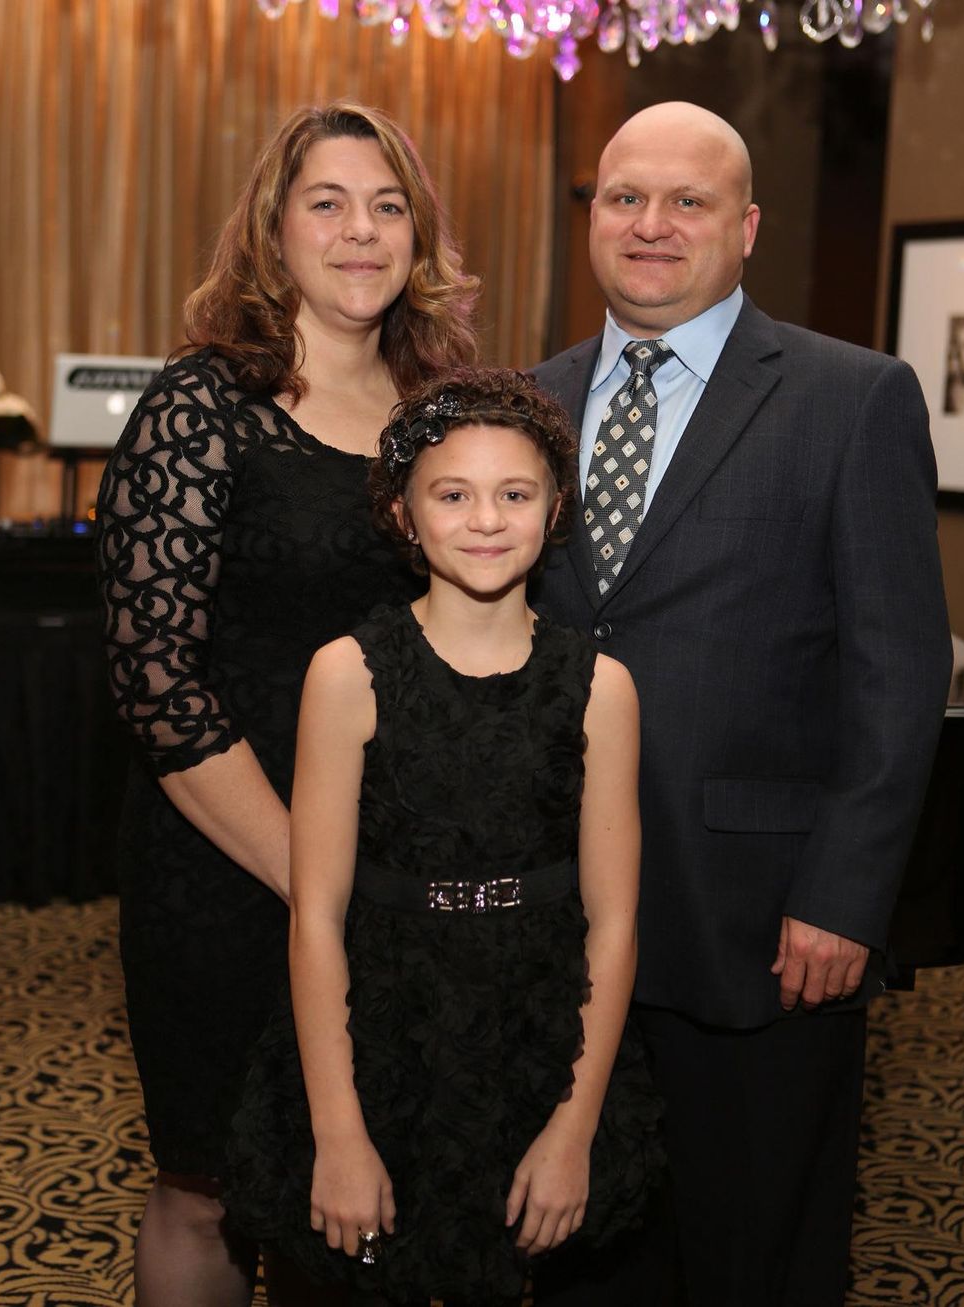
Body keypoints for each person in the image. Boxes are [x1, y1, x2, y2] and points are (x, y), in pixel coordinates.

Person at [530, 101, 952, 1307]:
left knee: (752, 1249)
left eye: (686, 201)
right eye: (623, 197)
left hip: (765, 927)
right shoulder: (523, 402)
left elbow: (897, 666)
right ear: (592, 217)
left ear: (746, 226)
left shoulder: (850, 397)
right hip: (554, 923)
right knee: (576, 1251)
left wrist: (842, 895)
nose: (648, 225)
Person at [94, 101, 478, 1307]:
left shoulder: (447, 413)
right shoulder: (202, 404)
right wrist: (318, 878)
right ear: (274, 228)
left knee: (369, 1180)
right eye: (328, 203)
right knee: (207, 1185)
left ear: (419, 235)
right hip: (226, 865)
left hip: (403, 878)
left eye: (387, 205)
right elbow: (156, 682)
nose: (361, 232)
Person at [223, 368, 664, 1305]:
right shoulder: (347, 674)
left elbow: (615, 921)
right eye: (452, 494)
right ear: (402, 514)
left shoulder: (602, 686)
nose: (485, 518)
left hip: (536, 1039)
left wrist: (574, 1127)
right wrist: (339, 1132)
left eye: (515, 493)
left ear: (555, 513)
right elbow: (317, 914)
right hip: (379, 1034)